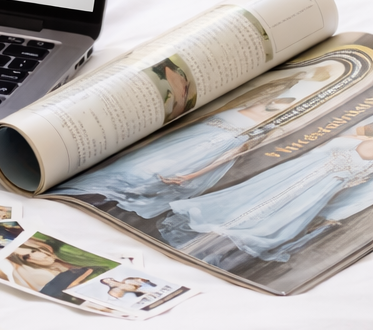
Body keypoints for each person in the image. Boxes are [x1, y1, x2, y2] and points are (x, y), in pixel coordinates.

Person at [54, 68, 337, 218]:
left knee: (143, 182)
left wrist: (194, 174)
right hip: (184, 142)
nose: (278, 99)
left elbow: (239, 151)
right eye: (280, 94)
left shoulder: (271, 124)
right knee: (128, 171)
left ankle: (100, 203)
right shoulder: (243, 104)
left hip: (203, 154)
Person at [161, 123, 373, 263]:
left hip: (320, 186)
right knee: (248, 203)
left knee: (273, 221)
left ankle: (214, 250)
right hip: (295, 172)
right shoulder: (355, 135)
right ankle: (204, 242)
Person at [0, 238, 101, 299]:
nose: (35, 256)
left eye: (34, 251)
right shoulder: (29, 273)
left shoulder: (67, 255)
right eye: (27, 257)